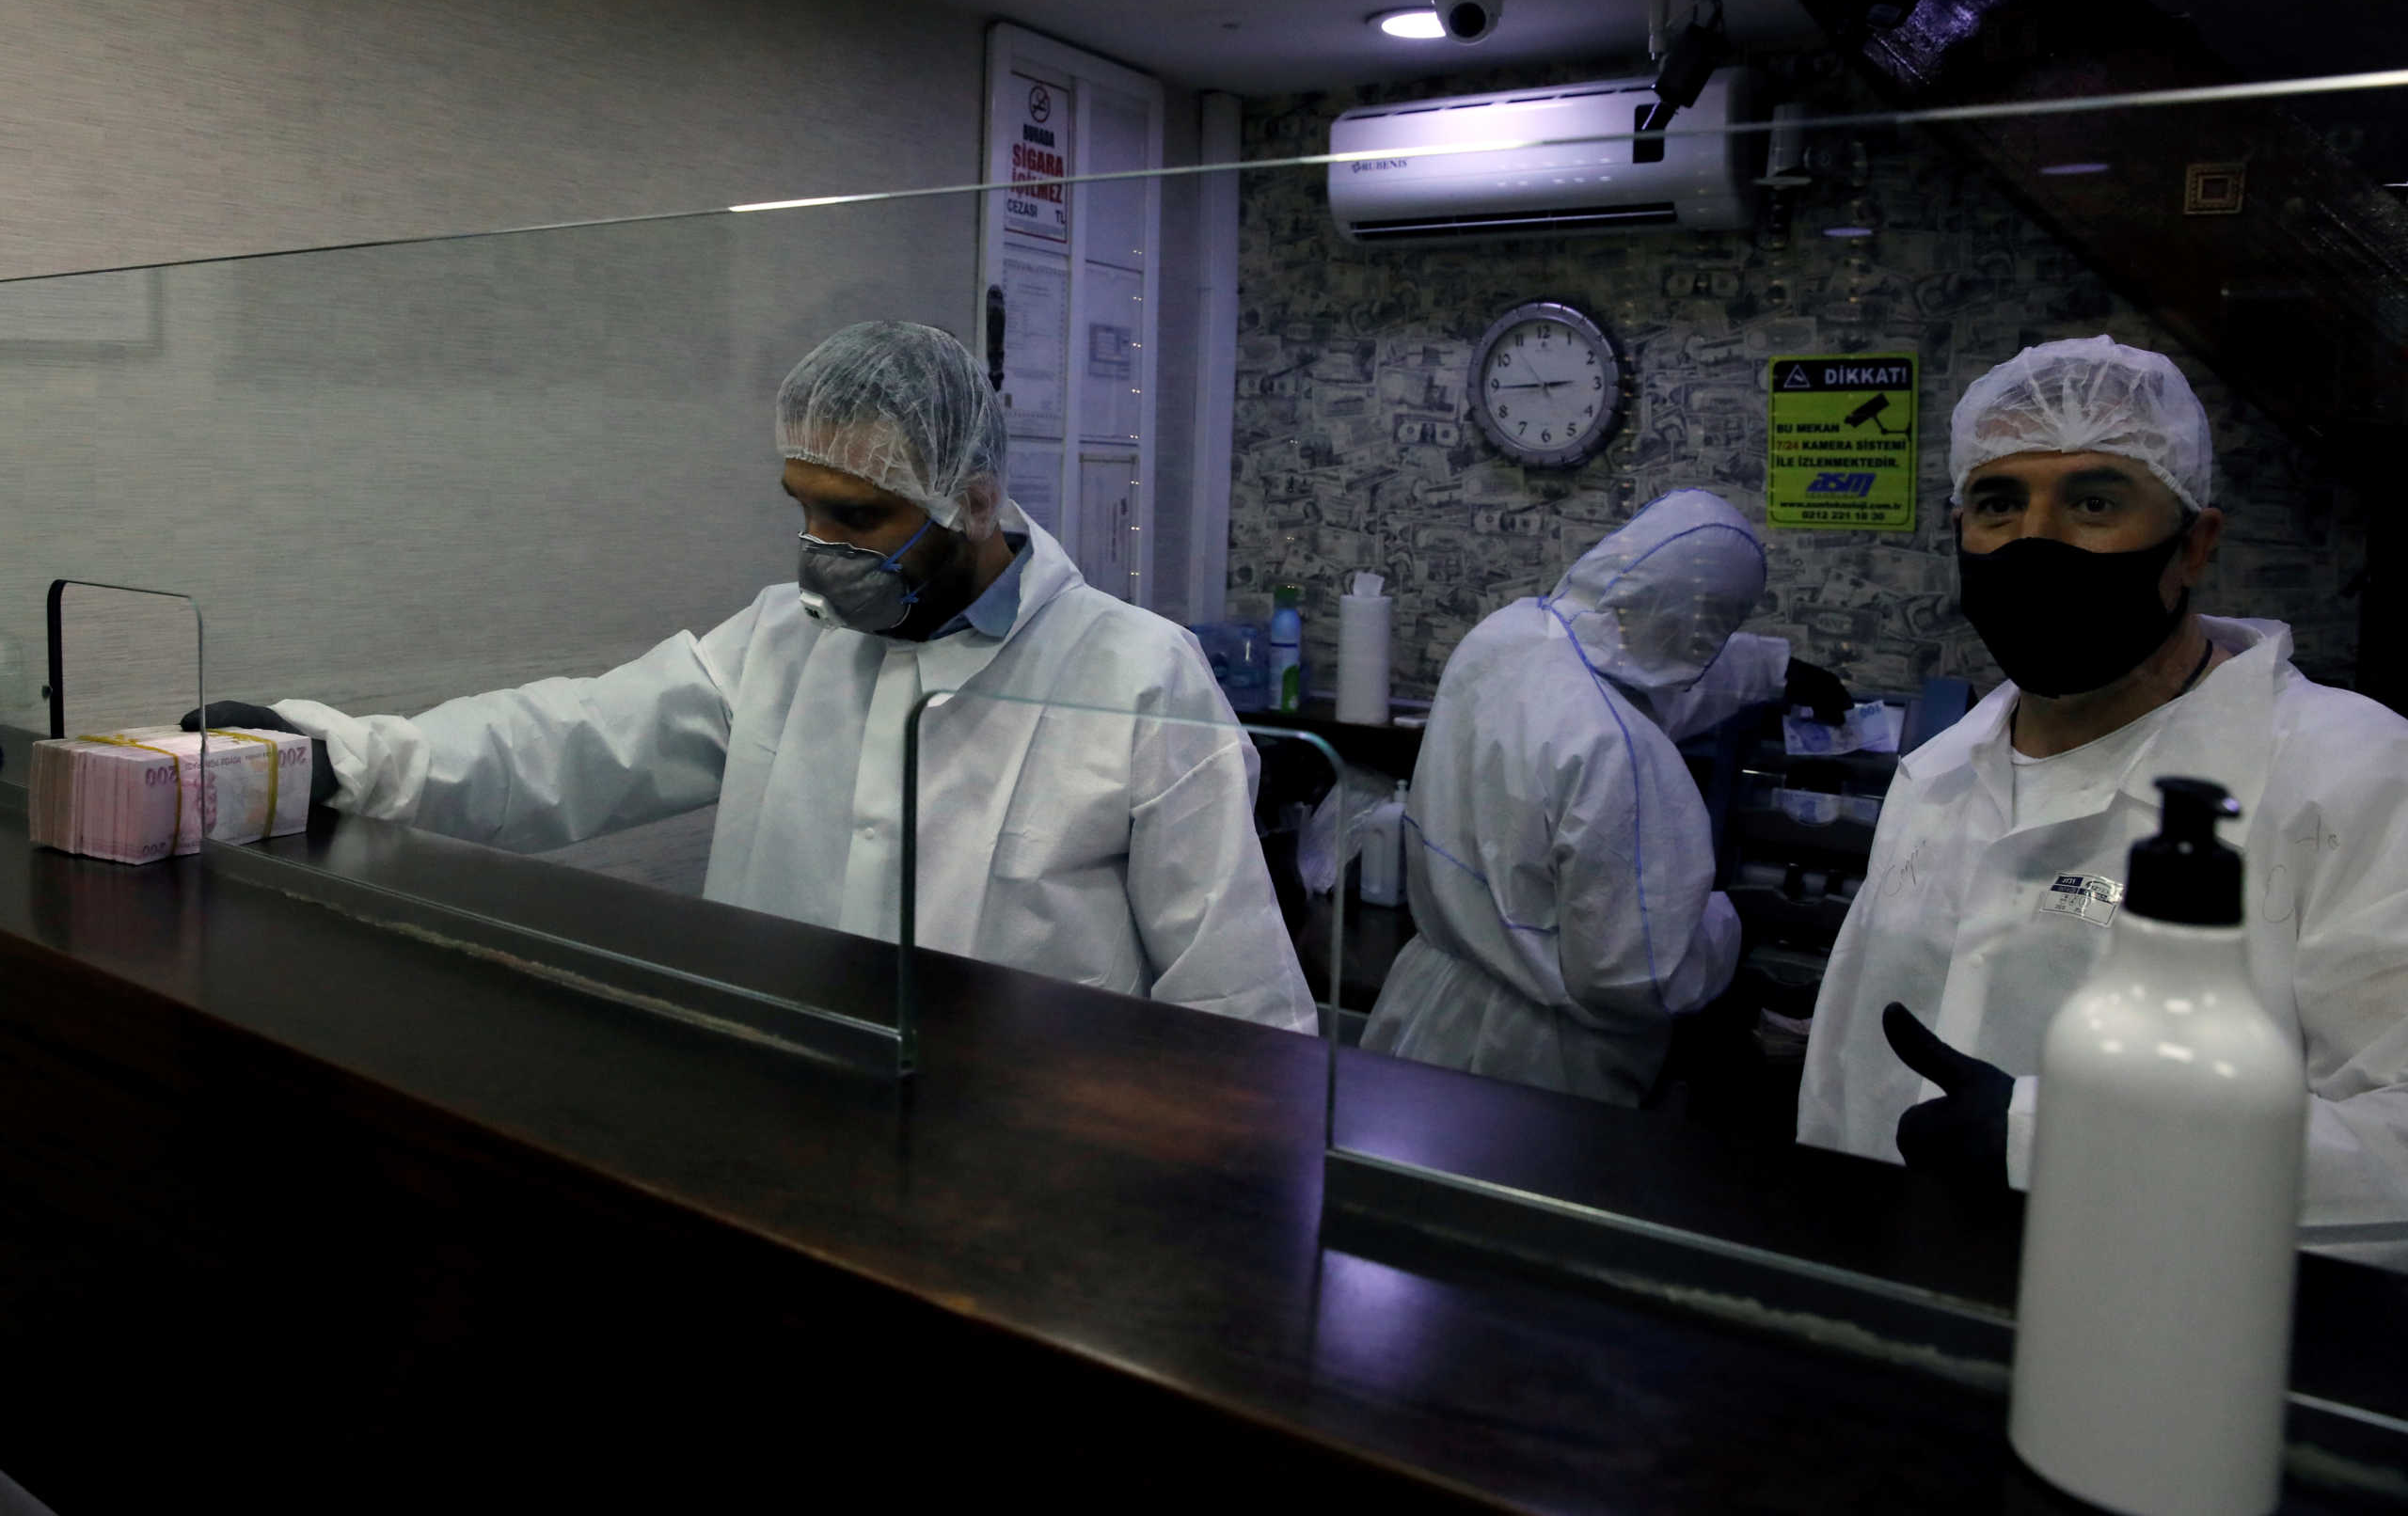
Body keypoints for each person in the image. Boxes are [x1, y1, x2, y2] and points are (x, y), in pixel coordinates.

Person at [190, 322, 1317, 1033]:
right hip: (789, 1107)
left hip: (1035, 1167)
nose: (818, 544)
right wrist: (343, 754)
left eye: (857, 514)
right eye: (803, 507)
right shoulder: (787, 636)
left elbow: (1236, 996)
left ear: (972, 499)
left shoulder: (1132, 674)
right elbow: (577, 738)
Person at [1798, 336, 2408, 1261]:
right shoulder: (1939, 773)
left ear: (2193, 544)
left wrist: (2053, 1142)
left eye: (2093, 501)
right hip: (1902, 1298)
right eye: (1999, 503)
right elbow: (1851, 1074)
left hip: (2178, 1339)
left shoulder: (2351, 773)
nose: (2036, 540)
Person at [1361, 489, 1853, 1102]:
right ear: (1706, 625)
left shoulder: (1507, 636)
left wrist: (1773, 670)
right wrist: (1727, 927)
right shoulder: (1621, 752)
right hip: (1541, 1061)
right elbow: (1635, 978)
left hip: (1429, 1001)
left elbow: (1639, 665)